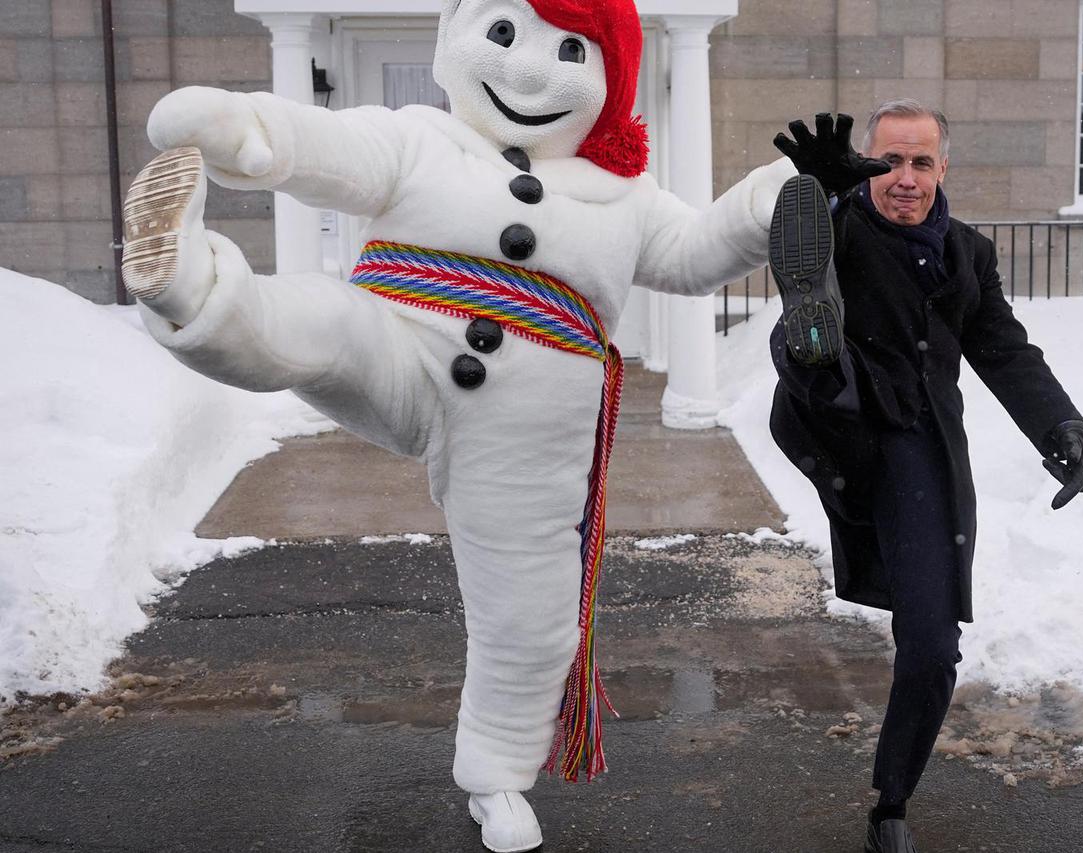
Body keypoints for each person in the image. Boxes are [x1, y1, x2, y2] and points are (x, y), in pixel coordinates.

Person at [120, 1, 795, 850]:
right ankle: (193, 290)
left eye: (572, 53)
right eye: (504, 34)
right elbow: (332, 148)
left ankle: (497, 778)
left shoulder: (623, 196)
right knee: (328, 324)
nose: (530, 70)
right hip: (405, 348)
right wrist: (246, 131)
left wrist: (768, 201)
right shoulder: (421, 139)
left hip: (528, 428)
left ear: (611, 81)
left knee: (532, 613)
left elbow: (695, 252)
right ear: (453, 41)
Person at [767, 100, 1083, 853]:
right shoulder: (842, 225)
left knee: (932, 644)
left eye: (921, 162)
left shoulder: (967, 254)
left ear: (943, 168)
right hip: (842, 423)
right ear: (868, 165)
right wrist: (823, 196)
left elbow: (1004, 348)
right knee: (818, 358)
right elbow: (769, 224)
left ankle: (892, 802)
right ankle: (816, 340)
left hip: (920, 451)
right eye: (889, 161)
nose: (906, 178)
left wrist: (1062, 425)